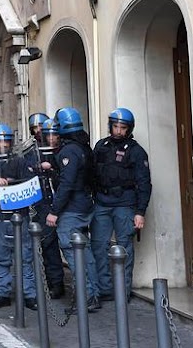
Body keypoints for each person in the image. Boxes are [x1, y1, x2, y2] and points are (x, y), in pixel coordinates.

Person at [91, 108, 151, 302]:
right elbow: (90, 175)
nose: (118, 131)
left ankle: (122, 291)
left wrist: (140, 212)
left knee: (124, 247)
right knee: (99, 246)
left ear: (129, 129)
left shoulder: (136, 151)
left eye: (122, 127)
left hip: (125, 204)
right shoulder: (101, 146)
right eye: (115, 126)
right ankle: (105, 289)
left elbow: (144, 184)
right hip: (101, 202)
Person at [46, 107, 101, 313]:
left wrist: (54, 211)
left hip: (72, 208)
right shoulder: (84, 147)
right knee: (85, 252)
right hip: (86, 204)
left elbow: (66, 184)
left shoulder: (68, 151)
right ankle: (93, 294)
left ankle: (85, 297)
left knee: (73, 252)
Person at [0, 124, 38, 311]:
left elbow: (29, 182)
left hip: (18, 215)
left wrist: (11, 183)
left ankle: (29, 294)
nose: (3, 144)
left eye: (6, 141)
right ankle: (2, 293)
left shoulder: (19, 161)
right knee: (1, 256)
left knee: (24, 256)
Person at [36, 119, 66, 299]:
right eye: (49, 135)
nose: (52, 138)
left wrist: (53, 169)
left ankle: (58, 281)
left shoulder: (65, 152)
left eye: (55, 135)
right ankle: (54, 282)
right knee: (48, 244)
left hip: (64, 203)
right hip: (46, 203)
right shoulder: (37, 153)